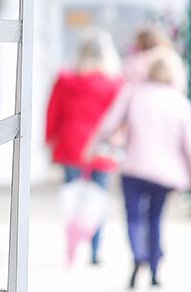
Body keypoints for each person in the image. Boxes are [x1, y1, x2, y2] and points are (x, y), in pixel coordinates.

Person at [87, 49, 191, 289]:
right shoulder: (179, 102)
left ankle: (138, 255)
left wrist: (92, 147)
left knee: (133, 216)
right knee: (155, 218)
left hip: (134, 167)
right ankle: (154, 269)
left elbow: (110, 123)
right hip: (165, 174)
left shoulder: (134, 94)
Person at [45, 30, 124, 265]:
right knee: (97, 200)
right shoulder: (115, 83)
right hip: (101, 146)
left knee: (73, 198)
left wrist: (50, 139)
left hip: (71, 143)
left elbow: (53, 111)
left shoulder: (65, 80)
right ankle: (95, 250)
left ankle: (72, 246)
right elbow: (119, 119)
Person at [122, 26, 187, 92]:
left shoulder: (138, 60)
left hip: (143, 96)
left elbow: (128, 82)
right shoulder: (172, 56)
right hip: (173, 95)